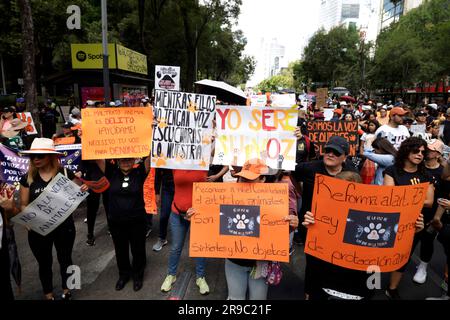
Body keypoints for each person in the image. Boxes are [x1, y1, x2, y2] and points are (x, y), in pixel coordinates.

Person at [19, 138, 88, 300]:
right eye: (32, 157)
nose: (36, 159)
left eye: (40, 155)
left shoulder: (64, 173)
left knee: (67, 258)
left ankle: (70, 289)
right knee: (44, 263)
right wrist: (28, 221)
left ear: (50, 156)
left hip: (64, 226)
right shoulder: (27, 178)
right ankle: (48, 294)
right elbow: (23, 204)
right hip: (38, 229)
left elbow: (76, 197)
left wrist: (82, 188)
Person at [222, 159, 298, 300]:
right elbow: (211, 219)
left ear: (263, 179)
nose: (244, 182)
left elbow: (282, 229)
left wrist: (292, 223)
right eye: (242, 178)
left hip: (260, 261)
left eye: (250, 179)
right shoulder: (227, 195)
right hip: (234, 260)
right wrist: (197, 214)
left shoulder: (275, 200)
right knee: (234, 299)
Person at [293, 135, 357, 298]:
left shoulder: (352, 172)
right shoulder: (308, 168)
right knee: (313, 262)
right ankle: (310, 293)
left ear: (345, 157)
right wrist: (300, 193)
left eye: (336, 153)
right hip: (310, 223)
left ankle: (331, 290)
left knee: (333, 260)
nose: (330, 154)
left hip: (338, 226)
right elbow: (293, 174)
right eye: (328, 150)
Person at [383, 137, 434, 299]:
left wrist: (402, 195)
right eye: (416, 151)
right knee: (377, 256)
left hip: (413, 225)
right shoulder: (392, 171)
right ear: (406, 151)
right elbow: (388, 197)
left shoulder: (425, 174)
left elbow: (429, 202)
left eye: (423, 152)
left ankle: (392, 288)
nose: (420, 155)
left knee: (402, 258)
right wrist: (415, 194)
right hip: (391, 222)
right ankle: (373, 284)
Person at [97, 156, 151, 292]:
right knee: (120, 250)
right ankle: (124, 275)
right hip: (116, 221)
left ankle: (138, 275)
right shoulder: (111, 172)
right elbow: (97, 156)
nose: (126, 162)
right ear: (117, 161)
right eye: (122, 160)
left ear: (134, 161)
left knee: (138, 249)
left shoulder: (140, 173)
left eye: (128, 160)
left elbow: (150, 156)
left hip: (137, 220)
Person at [160, 169, 209, 295]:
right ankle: (171, 275)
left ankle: (200, 277)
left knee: (199, 247)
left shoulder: (204, 160)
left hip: (198, 214)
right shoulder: (175, 162)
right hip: (177, 212)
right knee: (176, 247)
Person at [410, 139, 446, 284]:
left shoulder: (443, 173)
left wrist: (437, 218)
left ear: (438, 154)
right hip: (413, 212)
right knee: (408, 241)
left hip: (431, 215)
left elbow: (443, 197)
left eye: (431, 150)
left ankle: (423, 267)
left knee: (427, 241)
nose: (426, 152)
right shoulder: (417, 167)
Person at [152, 169, 174, 252]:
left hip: (183, 186)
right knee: (164, 215)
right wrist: (157, 193)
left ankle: (194, 242)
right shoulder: (162, 155)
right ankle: (162, 239)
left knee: (186, 215)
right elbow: (158, 174)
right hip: (167, 187)